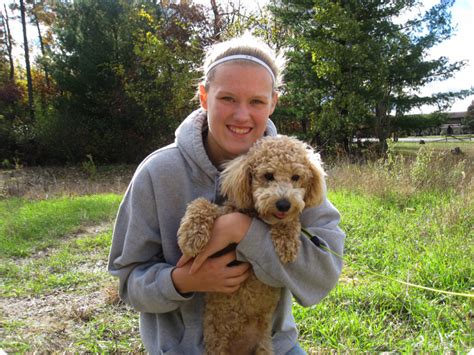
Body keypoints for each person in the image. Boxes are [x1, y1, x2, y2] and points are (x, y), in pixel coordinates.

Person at [108, 33, 345, 355]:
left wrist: (242, 230)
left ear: (273, 102)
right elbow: (128, 282)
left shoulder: (299, 171)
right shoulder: (157, 173)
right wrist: (183, 281)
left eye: (257, 101)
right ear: (204, 97)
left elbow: (324, 273)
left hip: (272, 346)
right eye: (228, 98)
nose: (241, 116)